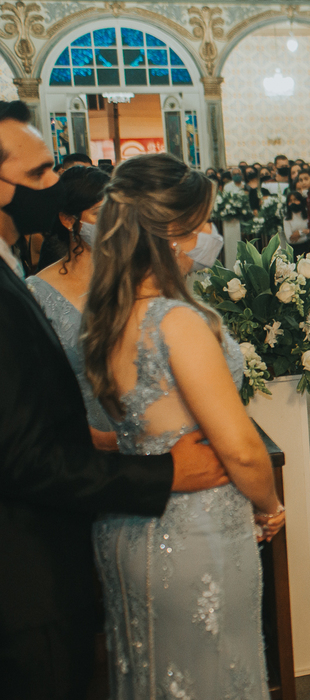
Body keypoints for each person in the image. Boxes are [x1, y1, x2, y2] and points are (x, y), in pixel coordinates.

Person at [0, 102, 229, 700]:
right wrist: (163, 473)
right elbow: (17, 459)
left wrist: (93, 439)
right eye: (39, 173)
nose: (55, 183)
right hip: (24, 575)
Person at [83, 153, 284, 699]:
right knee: (215, 675)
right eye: (198, 225)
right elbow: (240, 448)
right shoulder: (177, 321)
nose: (206, 236)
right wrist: (270, 505)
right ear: (169, 236)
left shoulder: (109, 314)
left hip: (127, 527)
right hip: (195, 530)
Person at [25, 166, 118, 450]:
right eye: (99, 213)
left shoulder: (132, 278)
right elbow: (33, 384)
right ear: (68, 219)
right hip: (78, 439)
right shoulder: (37, 291)